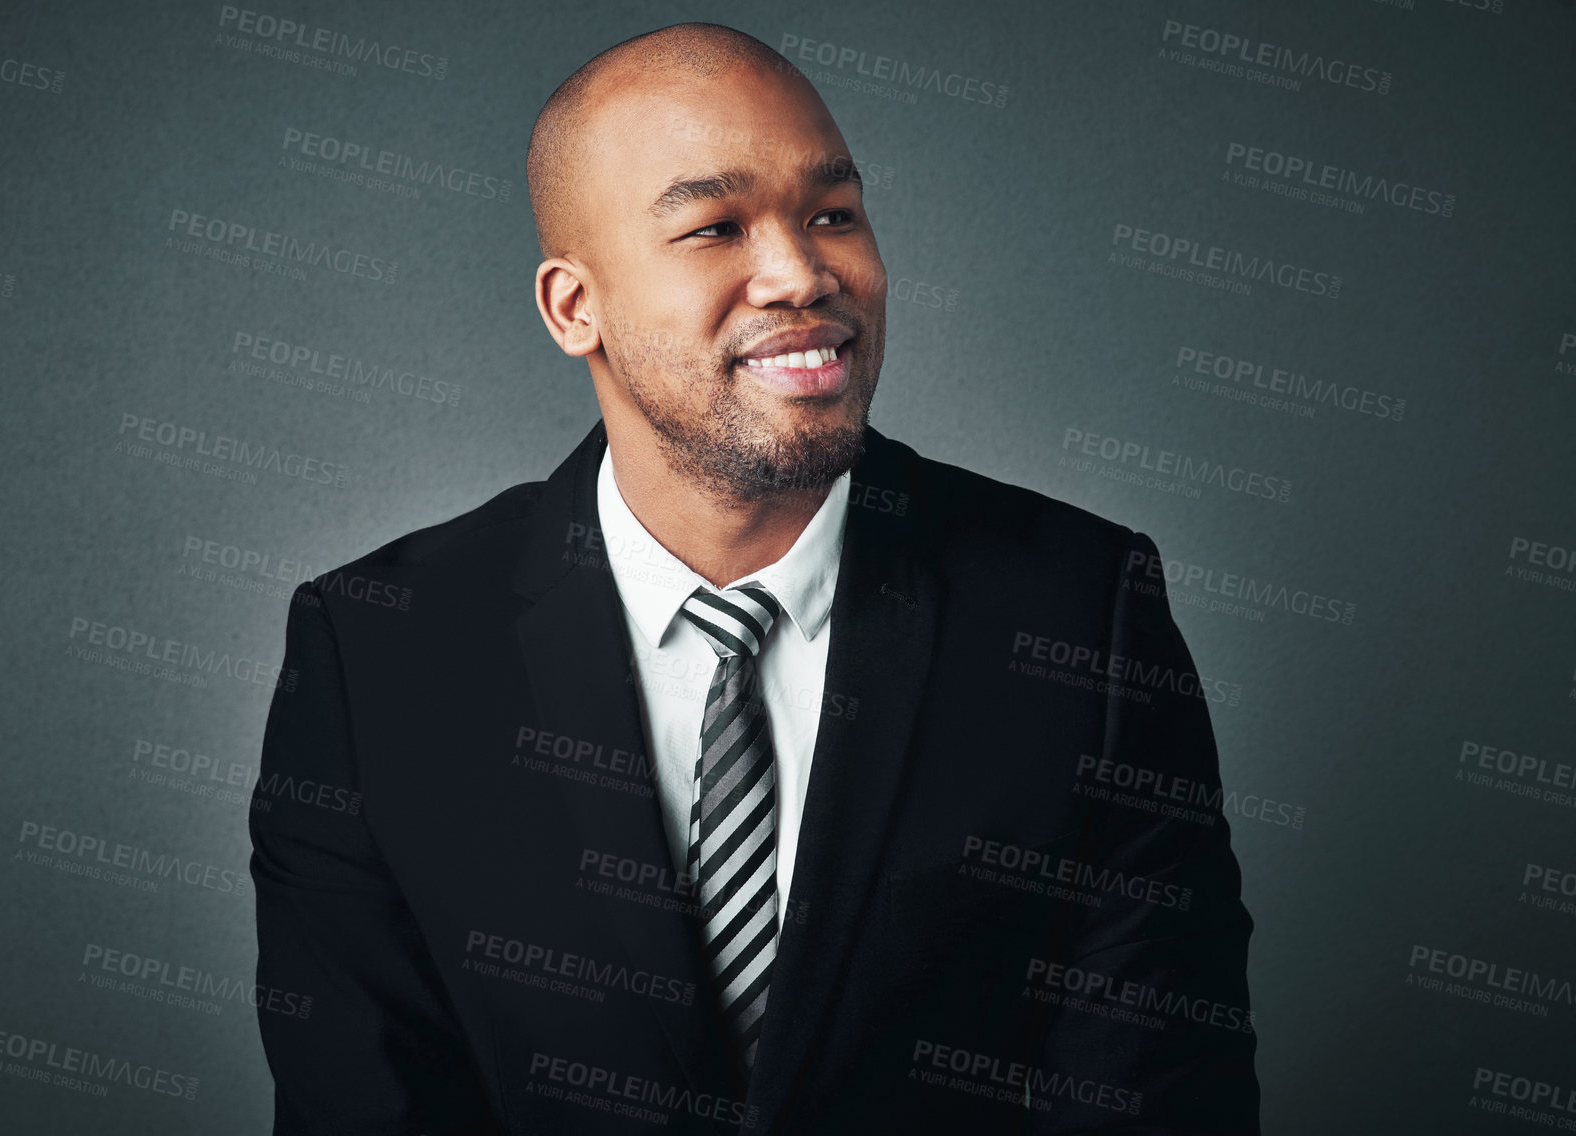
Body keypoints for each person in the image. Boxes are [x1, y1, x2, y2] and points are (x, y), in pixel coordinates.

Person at [250, 21, 1259, 1135]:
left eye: (831, 213)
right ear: (571, 306)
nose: (801, 272)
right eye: (714, 226)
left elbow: (1157, 1093)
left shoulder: (1079, 612)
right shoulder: (380, 649)